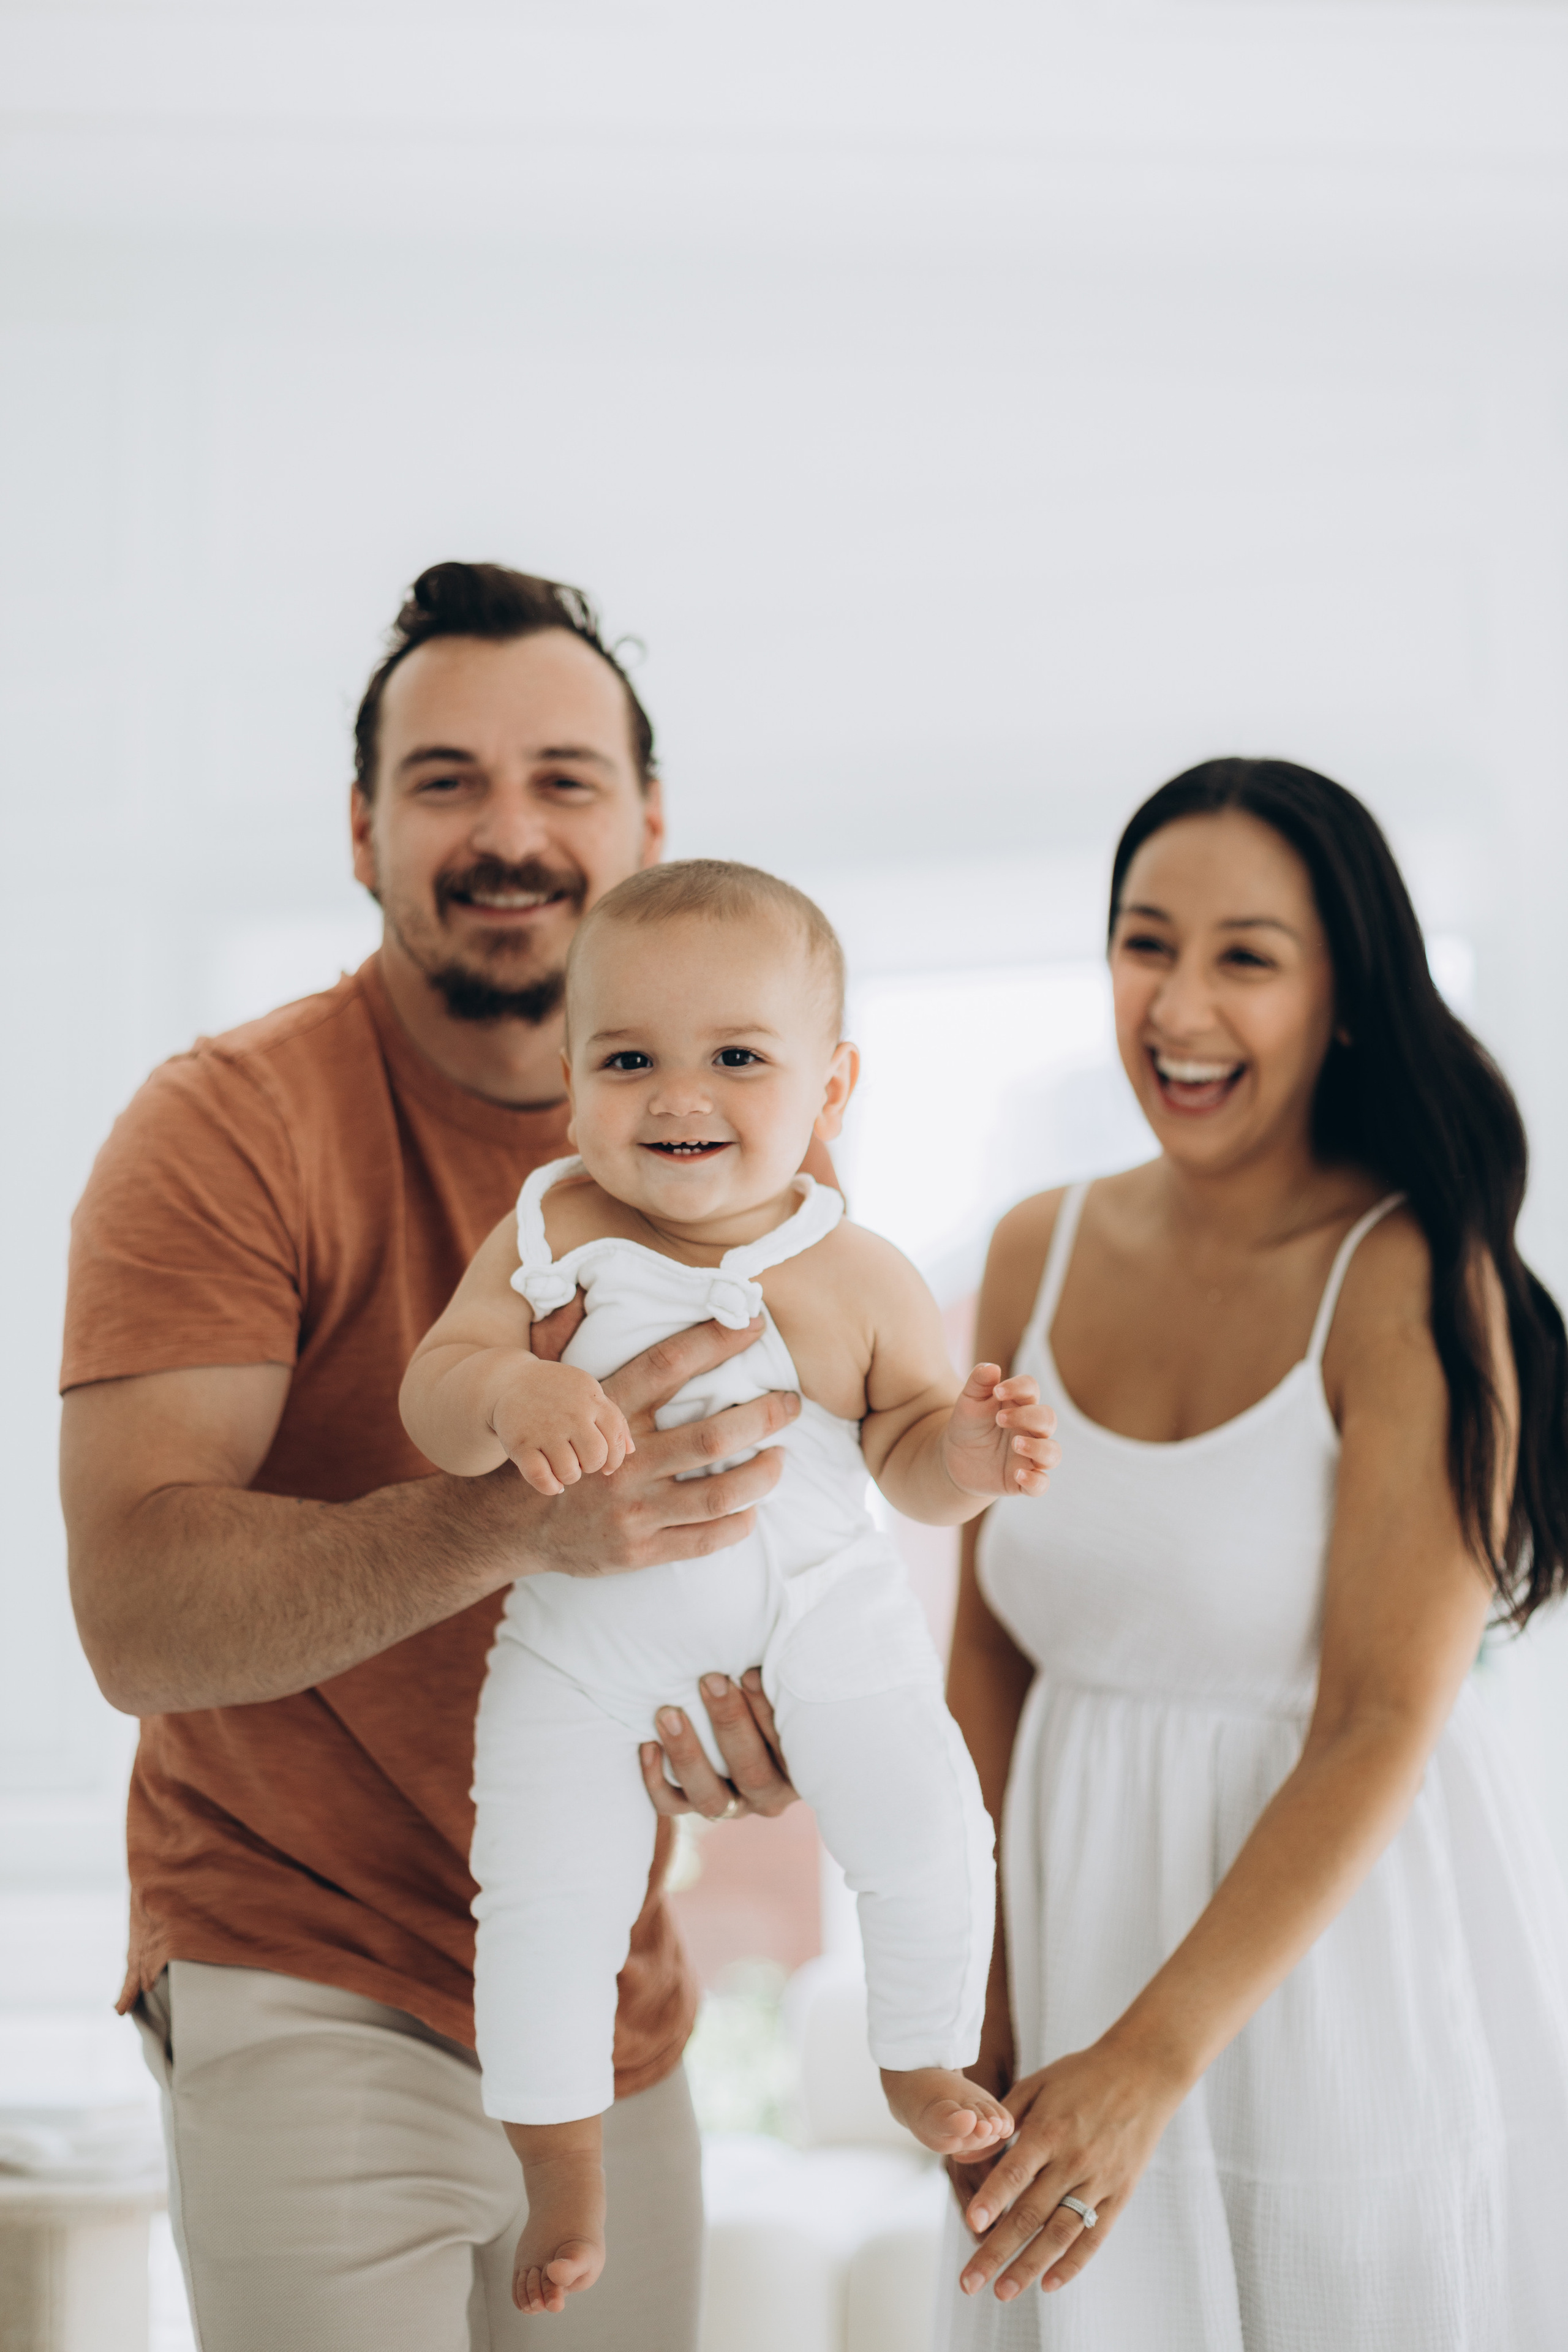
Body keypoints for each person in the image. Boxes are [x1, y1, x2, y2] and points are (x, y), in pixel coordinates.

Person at [59, 562, 818, 2352]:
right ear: (360, 830)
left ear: (645, 822)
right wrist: (516, 1525)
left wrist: (772, 1725)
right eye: (445, 781)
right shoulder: (227, 1128)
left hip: (610, 2002)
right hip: (303, 1963)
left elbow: (784, 1523)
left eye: (563, 780)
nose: (509, 833)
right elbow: (140, 1617)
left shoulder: (738, 1145)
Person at [938, 758, 1568, 2350]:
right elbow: (988, 1652)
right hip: (1079, 1939)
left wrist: (1150, 2062)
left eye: (1248, 956)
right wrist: (987, 1997)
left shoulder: (1410, 1276)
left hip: (1327, 1983)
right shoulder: (1035, 1244)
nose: (1179, 1004)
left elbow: (1382, 1718)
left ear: (1344, 998)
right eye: (1147, 943)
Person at [401, 860, 1061, 2314]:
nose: (675, 1093)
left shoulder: (858, 1273)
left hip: (818, 1615)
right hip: (577, 1644)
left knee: (928, 1822)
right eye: (626, 1058)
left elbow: (904, 1459)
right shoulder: (550, 1237)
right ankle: (562, 2170)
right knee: (541, 1896)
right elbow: (431, 1397)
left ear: (831, 1088)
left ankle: (917, 2055)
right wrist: (508, 1388)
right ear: (569, 1088)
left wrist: (964, 1446)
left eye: (736, 1058)